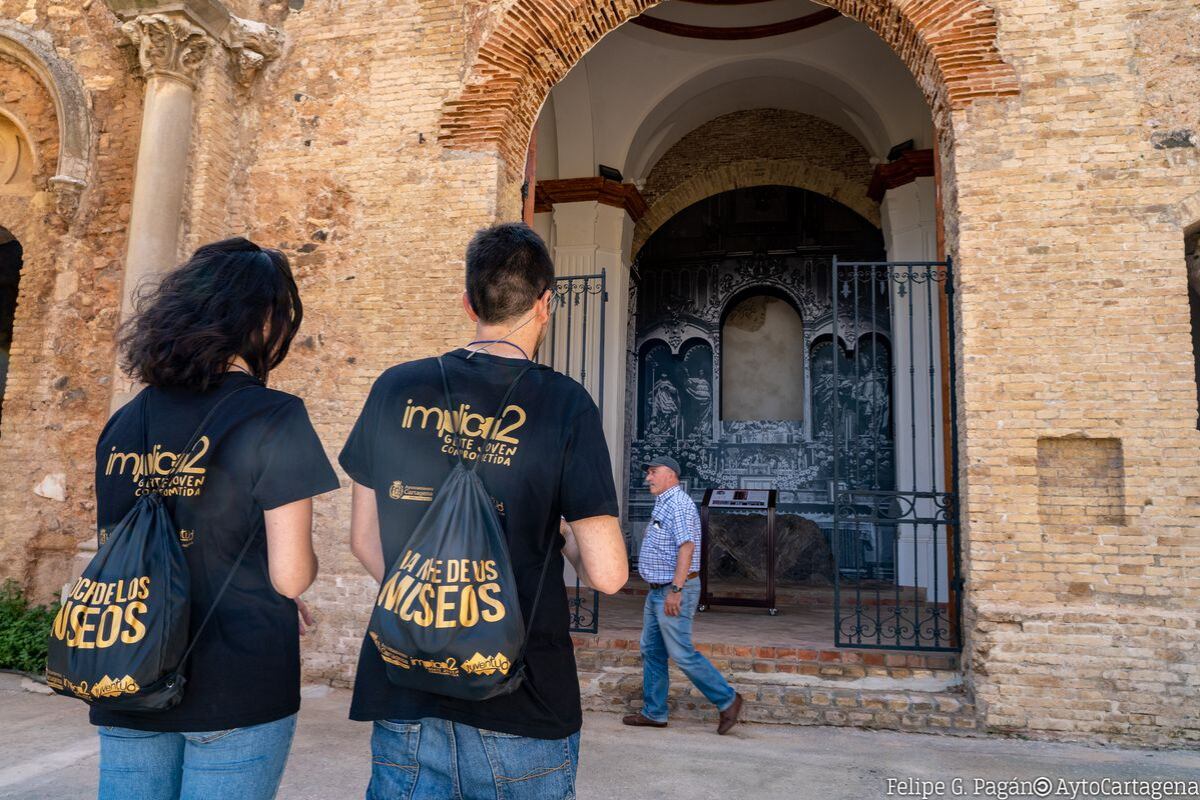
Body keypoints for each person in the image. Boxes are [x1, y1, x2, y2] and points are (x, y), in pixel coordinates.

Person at [340, 222, 628, 800]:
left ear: (467, 301)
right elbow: (609, 574)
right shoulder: (565, 404)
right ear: (547, 304)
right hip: (521, 696)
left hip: (405, 682)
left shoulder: (395, 387)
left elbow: (364, 541)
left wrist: (437, 606)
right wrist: (565, 530)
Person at [91, 238, 340, 800]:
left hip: (129, 667)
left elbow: (123, 548)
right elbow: (291, 576)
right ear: (265, 320)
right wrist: (291, 571)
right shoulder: (275, 414)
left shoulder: (126, 422)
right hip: (239, 676)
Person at [622, 456, 744, 734]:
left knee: (681, 652)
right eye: (648, 473)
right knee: (651, 651)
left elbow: (686, 548)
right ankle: (654, 713)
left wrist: (676, 590)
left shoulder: (677, 504)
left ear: (670, 475)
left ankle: (728, 699)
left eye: (653, 473)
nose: (647, 478)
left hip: (673, 589)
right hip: (658, 591)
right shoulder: (664, 502)